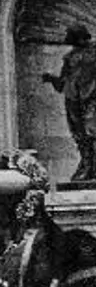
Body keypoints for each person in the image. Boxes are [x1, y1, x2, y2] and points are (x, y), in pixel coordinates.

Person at [43, 24, 96, 180]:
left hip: (92, 99)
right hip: (73, 100)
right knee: (79, 134)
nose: (66, 39)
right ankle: (87, 165)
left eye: (69, 36)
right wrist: (51, 79)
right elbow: (62, 83)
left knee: (92, 132)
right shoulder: (69, 58)